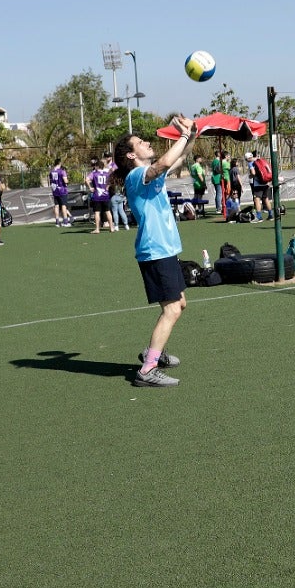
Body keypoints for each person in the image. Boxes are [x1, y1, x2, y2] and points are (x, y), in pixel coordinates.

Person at [116, 115, 198, 388]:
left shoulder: (150, 175)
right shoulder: (136, 175)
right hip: (155, 251)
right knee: (172, 309)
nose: (147, 143)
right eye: (141, 143)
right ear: (131, 154)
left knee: (179, 304)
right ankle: (147, 369)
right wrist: (183, 137)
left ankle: (154, 350)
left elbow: (178, 159)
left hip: (165, 249)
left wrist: (191, 134)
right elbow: (164, 162)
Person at [84, 158, 113, 233]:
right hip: (105, 195)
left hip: (97, 195)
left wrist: (90, 187)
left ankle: (97, 229)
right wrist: (107, 186)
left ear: (97, 166)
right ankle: (111, 227)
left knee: (97, 212)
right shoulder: (107, 173)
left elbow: (86, 180)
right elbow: (111, 181)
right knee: (108, 211)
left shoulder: (94, 173)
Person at [247, 151, 274, 221]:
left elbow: (253, 173)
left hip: (258, 184)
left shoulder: (251, 163)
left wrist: (250, 176)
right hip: (266, 182)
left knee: (257, 199)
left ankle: (259, 216)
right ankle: (271, 215)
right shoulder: (261, 160)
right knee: (266, 198)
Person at [48, 161, 72, 226]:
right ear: (59, 163)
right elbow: (65, 180)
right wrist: (67, 181)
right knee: (64, 205)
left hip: (55, 190)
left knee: (56, 206)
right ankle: (65, 222)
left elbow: (50, 181)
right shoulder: (62, 171)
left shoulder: (51, 171)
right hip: (62, 190)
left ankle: (57, 222)